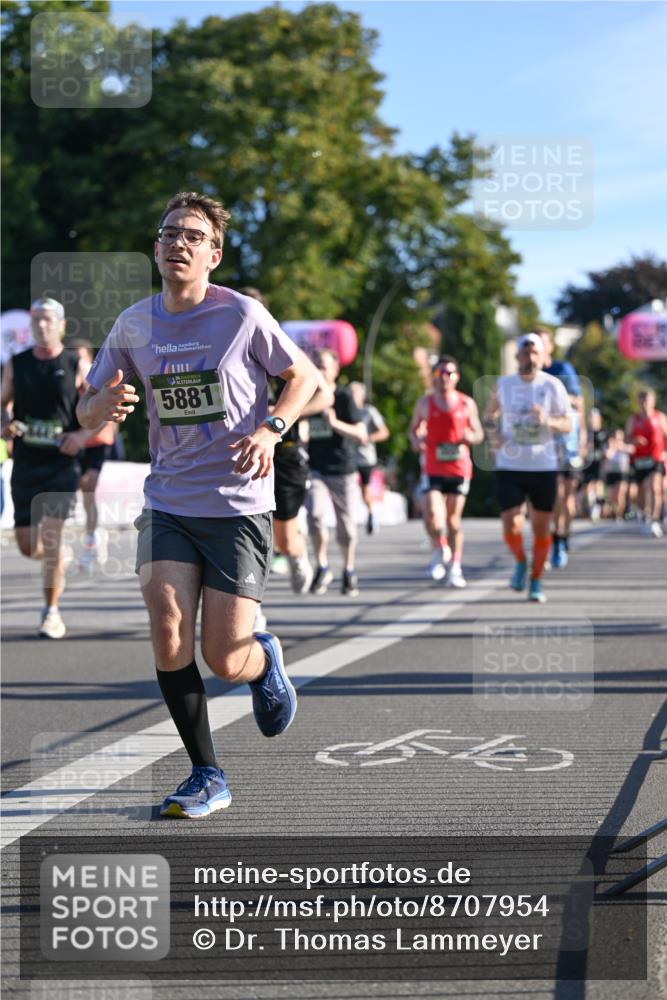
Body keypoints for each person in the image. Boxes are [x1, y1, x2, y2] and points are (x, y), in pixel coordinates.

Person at [77, 191, 319, 819]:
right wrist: (96, 409)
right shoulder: (134, 324)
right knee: (166, 623)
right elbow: (86, 402)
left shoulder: (240, 315)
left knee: (223, 656)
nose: (176, 243)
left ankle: (262, 659)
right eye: (167, 234)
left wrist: (271, 428)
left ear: (214, 253)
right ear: (156, 248)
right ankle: (205, 773)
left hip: (238, 503)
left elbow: (306, 379)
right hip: (169, 500)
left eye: (191, 235)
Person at [1, 298, 93, 638]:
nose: (42, 325)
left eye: (48, 320)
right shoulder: (17, 363)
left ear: (61, 325)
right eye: (37, 320)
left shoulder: (74, 362)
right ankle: (58, 557)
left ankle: (50, 612)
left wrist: (82, 436)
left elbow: (97, 409)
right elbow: (2, 405)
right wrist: (5, 424)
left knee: (51, 538)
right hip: (26, 462)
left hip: (61, 465)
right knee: (28, 546)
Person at [238, 289, 333, 601]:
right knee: (241, 532)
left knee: (284, 537)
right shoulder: (221, 348)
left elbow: (324, 395)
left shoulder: (280, 346)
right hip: (239, 452)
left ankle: (296, 556)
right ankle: (249, 606)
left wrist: (280, 417)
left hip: (285, 453)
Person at [485, 333, 572, 603]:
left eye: (535, 352)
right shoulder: (505, 384)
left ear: (543, 356)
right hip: (510, 464)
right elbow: (489, 415)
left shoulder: (553, 385)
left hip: (543, 465)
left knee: (541, 529)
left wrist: (547, 420)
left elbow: (567, 424)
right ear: (517, 356)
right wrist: (493, 436)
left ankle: (536, 581)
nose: (530, 357)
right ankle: (521, 561)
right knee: (511, 523)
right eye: (526, 352)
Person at [408, 356, 483, 587]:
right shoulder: (424, 403)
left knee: (453, 521)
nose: (445, 377)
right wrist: (416, 440)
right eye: (440, 373)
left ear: (456, 377)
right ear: (434, 376)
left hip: (459, 468)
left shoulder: (466, 403)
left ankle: (455, 567)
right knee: (432, 515)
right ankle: (441, 547)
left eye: (449, 373)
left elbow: (478, 433)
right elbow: (412, 431)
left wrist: (470, 437)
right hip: (432, 466)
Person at [306, 348, 368, 597]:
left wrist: (335, 424)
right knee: (315, 515)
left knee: (347, 527)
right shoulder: (308, 395)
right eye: (316, 366)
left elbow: (362, 435)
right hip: (316, 468)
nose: (320, 370)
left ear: (335, 370)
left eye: (324, 366)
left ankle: (349, 569)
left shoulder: (343, 397)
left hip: (343, 468)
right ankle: (321, 565)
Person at [539, 328, 586, 567]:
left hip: (566, 442)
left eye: (541, 342)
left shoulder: (562, 370)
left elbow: (579, 402)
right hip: (541, 444)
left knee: (565, 499)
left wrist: (584, 437)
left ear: (549, 346)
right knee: (549, 496)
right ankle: (552, 540)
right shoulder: (527, 375)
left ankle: (562, 535)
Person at [75, 342, 116, 569]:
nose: (79, 364)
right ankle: (93, 533)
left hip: (97, 441)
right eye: (76, 359)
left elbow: (107, 416)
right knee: (74, 490)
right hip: (75, 443)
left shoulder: (98, 381)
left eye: (83, 359)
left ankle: (91, 542)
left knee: (88, 485)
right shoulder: (70, 381)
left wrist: (84, 435)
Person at [349, 381, 390, 535]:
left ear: (362, 395)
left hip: (365, 458)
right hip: (348, 458)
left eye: (355, 392)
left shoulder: (369, 411)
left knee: (365, 490)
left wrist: (368, 438)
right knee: (349, 488)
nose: (352, 395)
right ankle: (349, 519)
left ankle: (371, 514)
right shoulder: (344, 410)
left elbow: (384, 432)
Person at [625, 389, 667, 538]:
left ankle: (655, 520)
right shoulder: (633, 419)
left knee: (655, 487)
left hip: (656, 457)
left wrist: (665, 452)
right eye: (642, 400)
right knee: (642, 490)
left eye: (647, 400)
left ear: (653, 401)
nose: (645, 403)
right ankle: (645, 516)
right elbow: (627, 438)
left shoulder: (660, 417)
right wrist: (634, 441)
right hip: (640, 460)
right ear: (639, 402)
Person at [603, 429, 631, 521]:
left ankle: (620, 514)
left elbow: (632, 450)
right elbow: (608, 456)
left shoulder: (625, 445)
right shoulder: (609, 446)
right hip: (611, 472)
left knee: (621, 493)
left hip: (622, 472)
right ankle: (615, 512)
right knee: (612, 495)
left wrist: (622, 447)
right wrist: (613, 447)